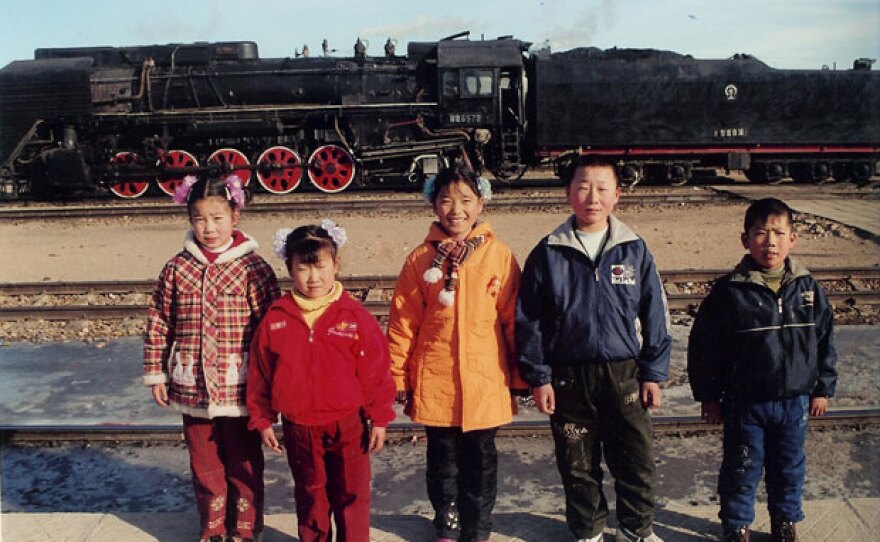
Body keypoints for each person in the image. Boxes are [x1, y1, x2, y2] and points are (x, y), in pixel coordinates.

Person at [516, 156, 670, 542]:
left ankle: (637, 529)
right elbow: (529, 319)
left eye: (602, 188)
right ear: (568, 193)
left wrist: (653, 372)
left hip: (624, 374)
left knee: (635, 457)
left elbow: (656, 313)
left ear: (617, 195)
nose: (592, 197)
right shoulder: (549, 252)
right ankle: (588, 530)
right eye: (583, 187)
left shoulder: (633, 249)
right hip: (569, 377)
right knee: (577, 462)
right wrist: (539, 377)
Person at [386, 163, 524, 542]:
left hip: (485, 379)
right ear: (434, 205)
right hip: (437, 380)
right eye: (446, 200)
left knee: (481, 460)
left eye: (465, 200)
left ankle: (477, 526)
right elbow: (403, 322)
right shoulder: (419, 260)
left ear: (481, 204)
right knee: (442, 460)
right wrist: (398, 375)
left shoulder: (499, 255)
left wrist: (519, 374)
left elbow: (514, 320)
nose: (456, 210)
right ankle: (446, 521)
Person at [687, 198, 837, 542]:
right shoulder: (729, 291)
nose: (769, 242)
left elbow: (826, 341)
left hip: (795, 401)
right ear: (745, 240)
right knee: (742, 466)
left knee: (789, 467)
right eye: (760, 233)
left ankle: (785, 520)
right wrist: (709, 396)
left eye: (778, 233)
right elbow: (704, 348)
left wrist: (822, 388)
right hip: (745, 404)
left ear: (793, 239)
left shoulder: (809, 289)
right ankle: (737, 523)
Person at [143, 174, 280, 542]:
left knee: (243, 460)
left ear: (236, 216)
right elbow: (159, 319)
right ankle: (213, 526)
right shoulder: (177, 268)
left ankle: (247, 527)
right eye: (200, 218)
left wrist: (272, 381)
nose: (209, 227)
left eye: (218, 218)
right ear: (190, 218)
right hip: (194, 385)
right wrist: (156, 372)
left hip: (241, 385)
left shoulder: (254, 268)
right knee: (204, 462)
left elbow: (272, 328)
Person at [247, 220, 395, 542]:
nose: (313, 278)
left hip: (348, 424)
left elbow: (377, 371)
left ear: (335, 265)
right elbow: (260, 373)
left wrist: (380, 417)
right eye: (303, 269)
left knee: (352, 494)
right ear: (289, 268)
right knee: (311, 495)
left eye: (321, 267)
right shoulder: (276, 318)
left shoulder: (354, 316)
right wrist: (262, 419)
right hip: (299, 426)